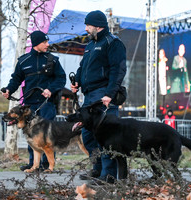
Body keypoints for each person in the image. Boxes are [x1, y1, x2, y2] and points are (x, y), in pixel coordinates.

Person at [71, 10, 126, 184]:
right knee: (88, 135)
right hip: (88, 96)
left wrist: (109, 94)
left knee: (106, 137)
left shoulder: (113, 43)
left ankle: (109, 176)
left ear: (98, 26)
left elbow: (118, 70)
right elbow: (82, 67)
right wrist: (77, 81)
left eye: (88, 25)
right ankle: (97, 170)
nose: (86, 28)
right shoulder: (90, 45)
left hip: (103, 95)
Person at [2, 30, 66, 171]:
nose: (47, 45)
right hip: (29, 106)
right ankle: (33, 164)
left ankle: (47, 165)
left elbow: (61, 79)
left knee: (47, 136)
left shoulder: (53, 60)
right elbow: (16, 79)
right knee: (31, 135)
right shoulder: (23, 61)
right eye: (45, 42)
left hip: (47, 104)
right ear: (37, 43)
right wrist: (8, 90)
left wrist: (50, 89)